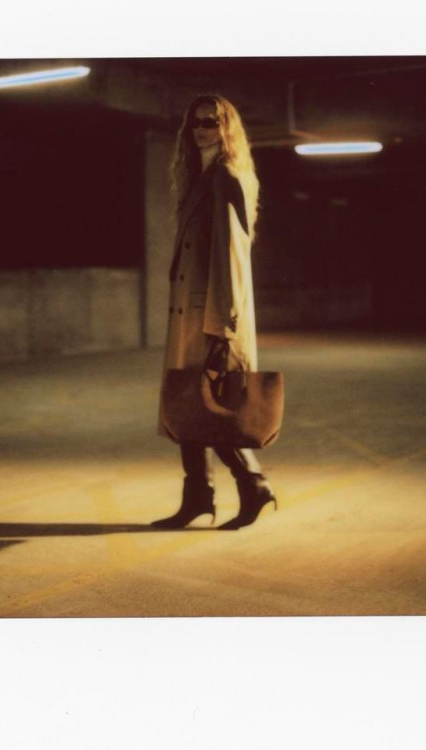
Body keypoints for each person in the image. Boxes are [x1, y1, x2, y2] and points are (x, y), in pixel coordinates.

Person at [153, 93, 277, 531]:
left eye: (211, 121)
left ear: (227, 128)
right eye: (196, 122)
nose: (202, 129)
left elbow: (232, 257)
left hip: (210, 316)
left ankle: (254, 485)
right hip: (191, 314)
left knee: (215, 406)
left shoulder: (225, 176)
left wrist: (223, 327)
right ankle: (198, 498)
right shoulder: (200, 176)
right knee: (187, 405)